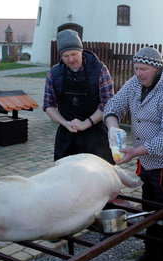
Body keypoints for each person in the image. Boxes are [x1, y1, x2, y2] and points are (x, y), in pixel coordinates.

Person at [103, 46, 163, 261]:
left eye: (143, 69)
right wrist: (112, 127)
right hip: (148, 162)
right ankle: (150, 257)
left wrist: (134, 152)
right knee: (152, 212)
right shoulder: (136, 83)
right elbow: (114, 104)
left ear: (157, 68)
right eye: (136, 68)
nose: (138, 73)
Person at [43, 29, 115, 163]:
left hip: (96, 135)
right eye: (65, 56)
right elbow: (48, 105)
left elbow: (108, 102)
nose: (70, 59)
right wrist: (64, 123)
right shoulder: (54, 73)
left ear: (81, 51)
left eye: (74, 54)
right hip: (67, 134)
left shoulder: (99, 69)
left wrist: (86, 123)